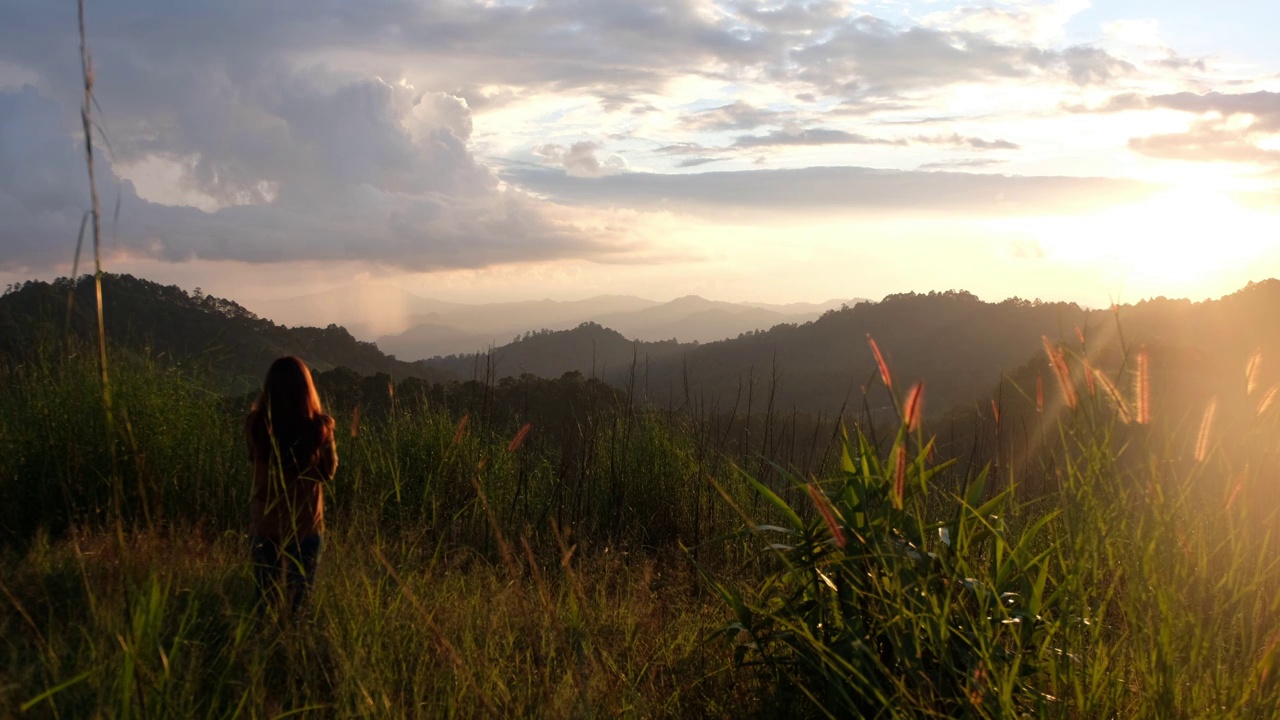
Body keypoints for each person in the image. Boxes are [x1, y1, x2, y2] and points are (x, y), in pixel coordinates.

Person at [246, 356, 338, 616]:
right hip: (305, 525)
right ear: (306, 389)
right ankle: (294, 647)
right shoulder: (320, 429)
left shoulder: (255, 426)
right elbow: (328, 473)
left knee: (264, 598)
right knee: (300, 600)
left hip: (263, 524)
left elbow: (253, 460)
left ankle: (259, 649)